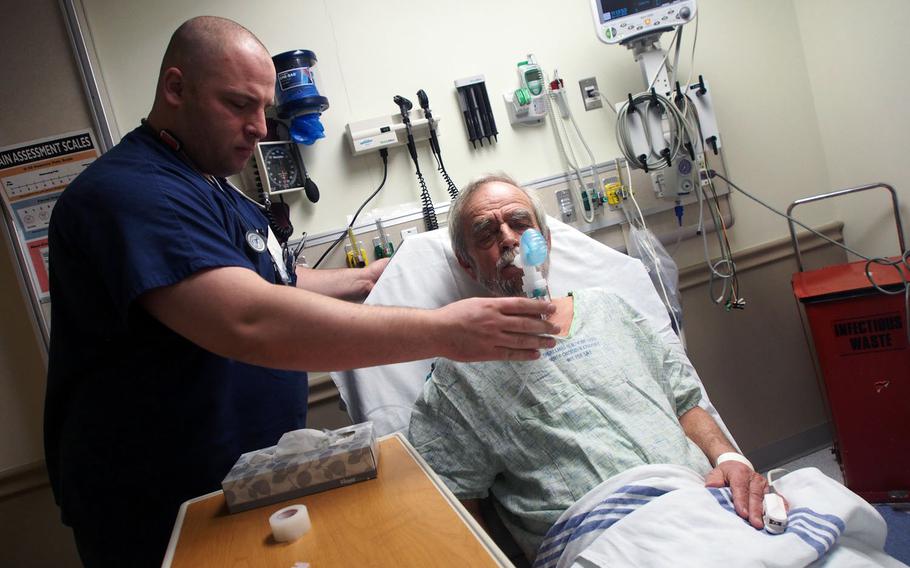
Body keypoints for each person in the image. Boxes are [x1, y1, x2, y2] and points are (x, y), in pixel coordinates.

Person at [45, 17, 558, 567]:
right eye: (238, 105)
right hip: (159, 504)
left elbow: (272, 278)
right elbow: (249, 318)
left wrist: (364, 280)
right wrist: (447, 331)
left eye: (263, 110)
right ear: (175, 88)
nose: (260, 129)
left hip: (247, 482)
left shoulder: (211, 186)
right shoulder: (132, 194)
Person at [407, 174, 770, 562]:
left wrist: (731, 460)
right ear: (466, 263)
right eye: (486, 233)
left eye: (520, 223)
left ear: (544, 242)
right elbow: (455, 504)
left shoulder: (609, 308)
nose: (509, 238)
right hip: (604, 540)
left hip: (702, 497)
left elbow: (685, 400)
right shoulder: (459, 374)